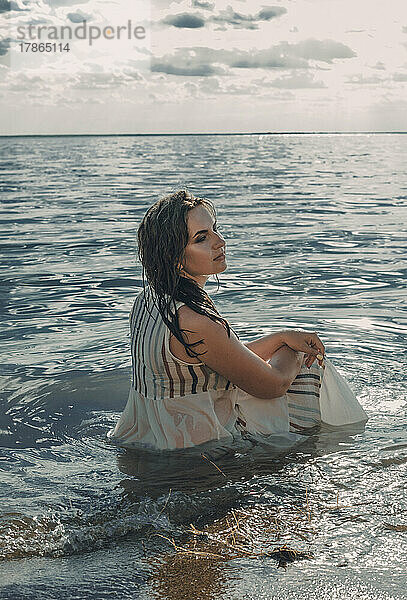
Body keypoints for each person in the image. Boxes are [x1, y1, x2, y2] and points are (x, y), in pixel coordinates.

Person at [107, 190, 366, 451]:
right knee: (309, 368)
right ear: (174, 258)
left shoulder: (149, 300)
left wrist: (280, 337)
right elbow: (274, 385)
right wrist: (294, 352)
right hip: (195, 445)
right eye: (201, 238)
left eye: (215, 230)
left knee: (287, 351)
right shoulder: (193, 320)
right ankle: (345, 444)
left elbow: (222, 358)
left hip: (149, 434)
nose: (220, 242)